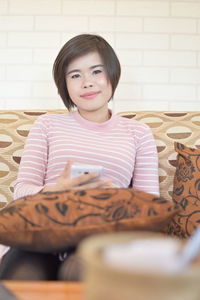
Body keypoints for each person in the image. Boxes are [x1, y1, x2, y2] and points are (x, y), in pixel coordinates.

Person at [0, 34, 160, 280]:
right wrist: (55, 191)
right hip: (43, 232)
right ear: (64, 84)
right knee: (22, 276)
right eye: (75, 75)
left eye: (96, 71)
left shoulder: (138, 133)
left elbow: (150, 207)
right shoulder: (47, 125)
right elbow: (21, 190)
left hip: (101, 240)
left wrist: (116, 199)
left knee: (84, 273)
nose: (87, 83)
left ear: (112, 74)